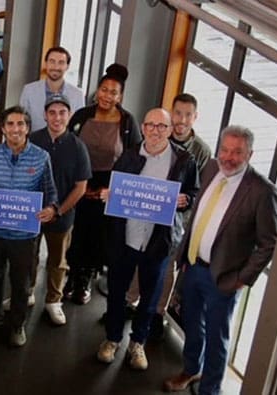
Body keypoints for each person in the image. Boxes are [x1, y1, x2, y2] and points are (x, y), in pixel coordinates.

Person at [163, 126, 277, 395]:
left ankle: (211, 389)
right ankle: (191, 370)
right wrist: (184, 257)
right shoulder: (212, 169)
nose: (228, 157)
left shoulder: (263, 192)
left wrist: (240, 280)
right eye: (225, 149)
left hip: (223, 279)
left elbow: (269, 244)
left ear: (250, 154)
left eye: (237, 152)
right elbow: (199, 213)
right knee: (192, 325)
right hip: (192, 267)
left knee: (217, 339)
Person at [96, 108, 198, 371]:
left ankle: (137, 343)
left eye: (162, 126)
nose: (155, 131)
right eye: (151, 125)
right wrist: (109, 194)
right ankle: (112, 339)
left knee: (150, 298)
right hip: (126, 238)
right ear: (142, 127)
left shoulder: (184, 160)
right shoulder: (129, 156)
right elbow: (115, 188)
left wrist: (185, 201)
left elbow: (193, 194)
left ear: (170, 129)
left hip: (158, 242)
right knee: (117, 293)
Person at [0, 106, 58, 347]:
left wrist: (51, 209)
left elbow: (51, 192)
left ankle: (17, 324)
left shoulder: (41, 157)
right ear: (3, 128)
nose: (15, 129)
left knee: (21, 282)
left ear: (28, 128)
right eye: (10, 124)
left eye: (21, 124)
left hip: (24, 236)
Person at [126, 92, 213, 339]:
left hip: (175, 223)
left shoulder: (201, 151)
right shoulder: (159, 135)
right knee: (137, 260)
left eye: (187, 115)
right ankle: (131, 301)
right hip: (143, 215)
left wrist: (185, 203)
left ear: (195, 118)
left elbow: (197, 191)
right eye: (177, 113)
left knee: (165, 270)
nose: (181, 120)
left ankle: (156, 312)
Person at [65, 63, 142, 304]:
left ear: (120, 96)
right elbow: (69, 147)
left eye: (113, 92)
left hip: (110, 187)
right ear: (97, 90)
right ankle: (73, 273)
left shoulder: (128, 123)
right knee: (78, 231)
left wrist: (114, 190)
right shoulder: (82, 115)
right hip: (81, 181)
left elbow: (135, 159)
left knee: (100, 234)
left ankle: (86, 277)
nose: (107, 96)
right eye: (104, 90)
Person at [28, 94, 91, 325]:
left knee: (58, 261)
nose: (57, 117)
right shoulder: (32, 140)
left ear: (69, 115)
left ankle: (54, 300)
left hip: (62, 216)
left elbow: (81, 187)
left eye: (62, 112)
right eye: (52, 112)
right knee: (28, 257)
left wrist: (57, 210)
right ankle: (27, 293)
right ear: (45, 115)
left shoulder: (78, 146)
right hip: (32, 215)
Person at [19, 46, 85, 131]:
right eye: (52, 61)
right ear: (46, 63)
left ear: (67, 66)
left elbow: (79, 126)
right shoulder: (29, 90)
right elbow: (22, 122)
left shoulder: (77, 94)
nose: (56, 67)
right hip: (34, 142)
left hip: (65, 143)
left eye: (61, 62)